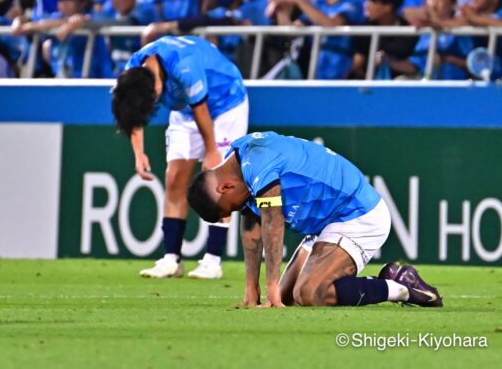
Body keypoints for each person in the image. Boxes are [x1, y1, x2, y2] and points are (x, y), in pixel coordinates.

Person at [187, 131, 443, 308]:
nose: (235, 211)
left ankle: (400, 285)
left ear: (225, 188)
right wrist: (251, 289)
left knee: (311, 293)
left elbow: (273, 222)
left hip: (356, 214)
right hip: (325, 226)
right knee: (288, 297)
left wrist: (271, 286)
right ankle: (381, 281)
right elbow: (252, 225)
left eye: (228, 209)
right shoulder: (242, 161)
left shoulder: (259, 164)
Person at [112, 35, 249, 280]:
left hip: (226, 103)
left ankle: (213, 261)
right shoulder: (134, 71)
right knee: (174, 177)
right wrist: (138, 153)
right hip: (187, 110)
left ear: (156, 89)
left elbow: (202, 109)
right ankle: (171, 259)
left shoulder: (185, 66)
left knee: (220, 180)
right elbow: (133, 110)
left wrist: (211, 151)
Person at [350, 0, 418, 79]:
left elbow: (414, 66)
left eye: (372, 1)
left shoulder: (408, 32)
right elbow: (358, 63)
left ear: (388, 7)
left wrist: (388, 61)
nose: (366, 6)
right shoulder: (364, 29)